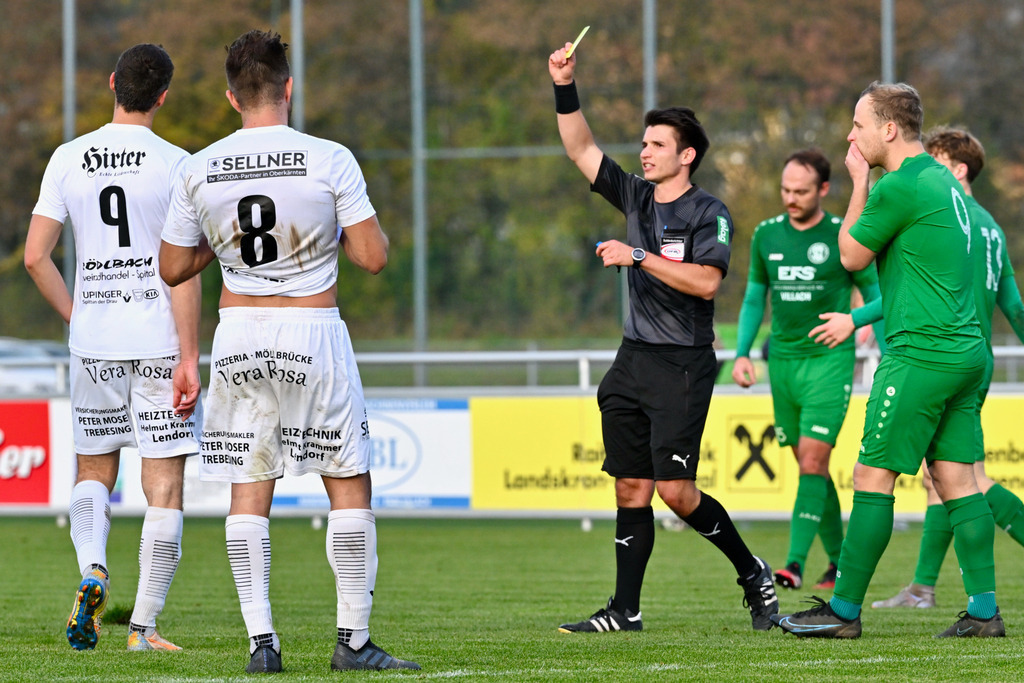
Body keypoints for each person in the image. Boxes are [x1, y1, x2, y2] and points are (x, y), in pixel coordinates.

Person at [159, 30, 418, 673]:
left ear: (231, 97)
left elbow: (172, 268)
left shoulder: (199, 167)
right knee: (347, 483)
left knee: (249, 490)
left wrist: (221, 245)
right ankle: (352, 642)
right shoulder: (329, 158)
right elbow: (373, 258)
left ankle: (262, 646)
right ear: (289, 88)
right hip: (311, 331)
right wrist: (336, 233)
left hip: (239, 336)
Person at [547, 39, 779, 634]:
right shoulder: (634, 194)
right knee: (631, 486)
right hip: (633, 359)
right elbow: (579, 147)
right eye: (644, 143)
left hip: (683, 364)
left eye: (656, 145)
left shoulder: (710, 213)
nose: (644, 152)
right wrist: (564, 84)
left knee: (676, 492)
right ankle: (624, 610)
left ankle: (752, 571)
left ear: (686, 155)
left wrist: (636, 255)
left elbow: (706, 282)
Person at [772, 82, 1002, 639]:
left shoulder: (900, 184)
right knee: (956, 480)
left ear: (889, 129)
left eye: (859, 125)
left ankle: (842, 611)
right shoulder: (941, 180)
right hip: (965, 351)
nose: (851, 136)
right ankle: (984, 612)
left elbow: (850, 254)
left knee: (871, 475)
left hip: (920, 353)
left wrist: (858, 183)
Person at [24, 44, 202, 652]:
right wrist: (189, 356)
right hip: (156, 340)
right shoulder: (178, 164)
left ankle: (93, 568)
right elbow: (183, 271)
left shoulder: (68, 157)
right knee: (164, 485)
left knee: (94, 470)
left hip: (94, 341)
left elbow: (35, 257)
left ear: (111, 84)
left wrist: (80, 317)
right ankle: (143, 629)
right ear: (163, 97)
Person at [869, 127, 1024, 609]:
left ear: (958, 170)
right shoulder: (991, 225)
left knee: (965, 479)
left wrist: (853, 318)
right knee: (945, 478)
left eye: (935, 160)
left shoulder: (950, 216)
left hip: (940, 354)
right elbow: (1014, 306)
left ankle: (924, 590)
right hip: (974, 358)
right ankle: (923, 588)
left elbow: (918, 287)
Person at [732, 149, 883, 592]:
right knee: (810, 466)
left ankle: (793, 564)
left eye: (800, 191)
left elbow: (880, 295)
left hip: (828, 363)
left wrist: (868, 333)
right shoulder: (766, 235)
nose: (790, 198)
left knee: (814, 459)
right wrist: (742, 353)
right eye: (785, 190)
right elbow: (754, 297)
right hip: (782, 364)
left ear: (823, 189)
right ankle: (838, 563)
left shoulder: (843, 234)